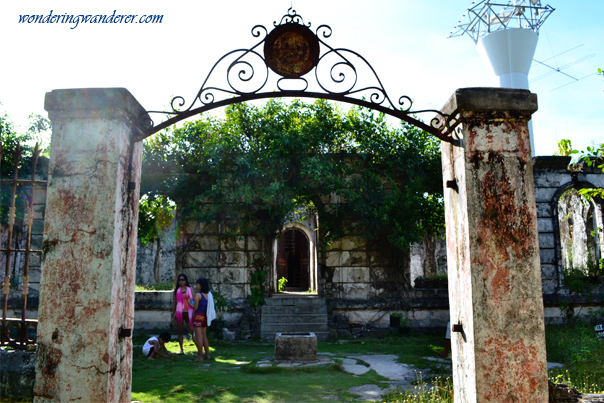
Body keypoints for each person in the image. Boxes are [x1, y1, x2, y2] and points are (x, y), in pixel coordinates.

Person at [189, 278, 216, 362]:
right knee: (204, 337)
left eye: (197, 284)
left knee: (199, 337)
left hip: (198, 316)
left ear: (201, 285)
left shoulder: (198, 295)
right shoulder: (209, 295)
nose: (197, 286)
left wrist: (190, 302)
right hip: (205, 316)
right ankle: (207, 355)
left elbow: (196, 307)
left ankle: (200, 357)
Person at [172, 274, 194, 355]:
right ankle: (181, 349)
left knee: (192, 331)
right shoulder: (176, 291)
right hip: (179, 313)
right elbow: (174, 303)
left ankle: (199, 348)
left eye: (183, 280)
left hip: (189, 312)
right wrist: (172, 315)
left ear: (186, 281)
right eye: (179, 280)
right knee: (180, 331)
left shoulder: (190, 289)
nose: (181, 281)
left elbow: (193, 301)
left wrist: (192, 305)